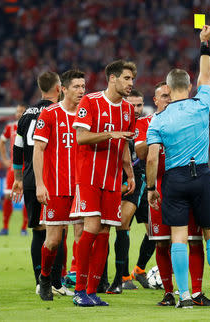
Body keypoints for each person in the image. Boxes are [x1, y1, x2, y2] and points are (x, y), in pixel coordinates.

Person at [146, 25, 210, 309]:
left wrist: (151, 188)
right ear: (189, 85)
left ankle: (183, 296)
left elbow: (150, 159)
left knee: (179, 237)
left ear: (168, 89)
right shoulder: (201, 104)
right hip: (201, 176)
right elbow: (206, 74)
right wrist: (205, 44)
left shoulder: (157, 120)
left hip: (174, 178)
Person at [69, 60, 137, 307]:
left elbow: (125, 144)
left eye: (132, 79)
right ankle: (78, 289)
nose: (131, 83)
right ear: (113, 78)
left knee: (106, 232)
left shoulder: (129, 111)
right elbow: (80, 137)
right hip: (89, 177)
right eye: (127, 78)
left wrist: (129, 173)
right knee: (91, 227)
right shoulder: (91, 101)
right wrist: (110, 134)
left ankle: (92, 290)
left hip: (112, 179)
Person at [137, 82, 210, 307]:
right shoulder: (147, 122)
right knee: (161, 243)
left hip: (183, 183)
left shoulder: (186, 117)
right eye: (164, 97)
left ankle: (195, 292)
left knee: (194, 240)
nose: (168, 100)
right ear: (156, 100)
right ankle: (169, 292)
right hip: (159, 186)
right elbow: (142, 154)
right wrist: (155, 138)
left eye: (170, 96)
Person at [32, 70, 85, 301]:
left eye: (83, 86)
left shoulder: (87, 114)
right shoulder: (50, 114)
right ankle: (45, 279)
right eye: (76, 86)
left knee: (83, 237)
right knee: (53, 241)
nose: (81, 91)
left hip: (82, 187)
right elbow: (38, 150)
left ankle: (82, 286)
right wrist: (40, 184)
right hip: (56, 188)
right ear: (63, 89)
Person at [11, 71, 62, 295]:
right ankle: (55, 283)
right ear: (59, 88)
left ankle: (39, 281)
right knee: (56, 231)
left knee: (38, 231)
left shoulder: (25, 115)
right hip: (53, 178)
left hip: (31, 179)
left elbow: (17, 148)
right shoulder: (58, 112)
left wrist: (18, 179)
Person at [105, 89, 154, 293]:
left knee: (154, 231)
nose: (136, 109)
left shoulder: (146, 126)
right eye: (133, 105)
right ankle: (123, 276)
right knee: (122, 225)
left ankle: (139, 269)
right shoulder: (117, 124)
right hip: (123, 182)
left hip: (142, 180)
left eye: (140, 105)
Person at [0, 103, 28, 236]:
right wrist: (4, 159)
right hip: (13, 168)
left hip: (27, 167)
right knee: (8, 197)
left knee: (28, 198)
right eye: (17, 111)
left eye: (21, 111)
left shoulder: (31, 126)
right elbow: (1, 142)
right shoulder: (10, 127)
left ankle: (24, 228)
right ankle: (5, 227)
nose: (18, 114)